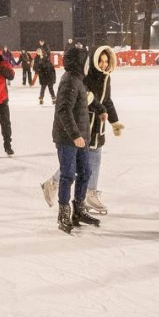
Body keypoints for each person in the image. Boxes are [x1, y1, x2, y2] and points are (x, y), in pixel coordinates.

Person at [42, 45, 123, 216]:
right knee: (77, 165)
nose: (103, 64)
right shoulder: (84, 77)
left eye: (106, 61)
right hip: (83, 125)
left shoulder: (106, 78)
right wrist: (78, 130)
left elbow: (106, 101)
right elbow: (80, 101)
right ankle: (64, 186)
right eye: (100, 61)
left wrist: (114, 121)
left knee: (90, 164)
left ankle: (87, 194)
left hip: (94, 128)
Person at [51, 46, 100, 233]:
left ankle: (78, 209)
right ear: (79, 62)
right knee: (68, 175)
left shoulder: (78, 80)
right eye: (85, 61)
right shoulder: (69, 80)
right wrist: (76, 136)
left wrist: (101, 111)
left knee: (86, 172)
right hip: (68, 138)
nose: (87, 65)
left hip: (80, 138)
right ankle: (63, 213)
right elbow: (63, 110)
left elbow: (83, 103)